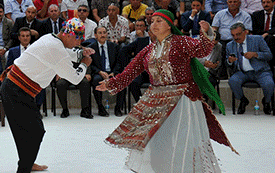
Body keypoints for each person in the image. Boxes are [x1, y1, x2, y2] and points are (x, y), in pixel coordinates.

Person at [97, 10, 235, 172]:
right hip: (156, 101)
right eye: (152, 21)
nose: (153, 24)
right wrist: (110, 83)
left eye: (158, 21)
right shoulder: (148, 50)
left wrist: (207, 32)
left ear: (169, 25)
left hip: (182, 101)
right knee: (155, 143)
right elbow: (129, 73)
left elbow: (202, 50)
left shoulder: (181, 42)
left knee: (181, 144)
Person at [0, 18, 92, 173]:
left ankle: (27, 162)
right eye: (78, 38)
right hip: (15, 91)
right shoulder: (56, 48)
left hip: (18, 89)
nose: (79, 42)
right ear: (68, 35)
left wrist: (81, 52)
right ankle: (24, 167)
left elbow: (66, 53)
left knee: (27, 131)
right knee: (34, 131)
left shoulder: (50, 38)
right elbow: (75, 77)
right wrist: (84, 63)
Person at [226, 22, 274, 115]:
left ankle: (266, 101)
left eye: (238, 34)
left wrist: (255, 54)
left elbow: (269, 55)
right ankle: (243, 100)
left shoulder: (257, 39)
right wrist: (230, 61)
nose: (236, 38)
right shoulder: (230, 45)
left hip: (260, 71)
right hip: (242, 72)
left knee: (269, 84)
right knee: (232, 81)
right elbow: (227, 62)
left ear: (245, 32)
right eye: (233, 35)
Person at [89, 26, 124, 117]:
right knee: (96, 80)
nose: (102, 35)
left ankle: (118, 108)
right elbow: (90, 64)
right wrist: (100, 72)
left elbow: (119, 62)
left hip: (112, 71)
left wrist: (114, 72)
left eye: (104, 32)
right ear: (95, 35)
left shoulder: (114, 46)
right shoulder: (91, 48)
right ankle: (100, 108)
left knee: (121, 79)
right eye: (100, 33)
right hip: (99, 72)